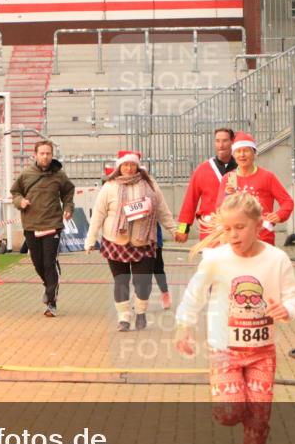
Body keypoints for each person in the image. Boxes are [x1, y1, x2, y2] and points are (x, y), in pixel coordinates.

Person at [174, 192, 295, 444]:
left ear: (258, 225)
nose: (233, 235)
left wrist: (287, 310)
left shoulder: (277, 259)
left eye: (240, 228)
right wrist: (184, 326)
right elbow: (195, 294)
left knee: (259, 422)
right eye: (228, 228)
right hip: (225, 350)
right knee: (231, 413)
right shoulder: (216, 259)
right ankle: (234, 404)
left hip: (262, 351)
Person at [84, 150, 178, 331]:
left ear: (137, 166)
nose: (128, 168)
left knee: (143, 282)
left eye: (132, 165)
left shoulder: (150, 185)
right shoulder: (109, 186)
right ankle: (124, 318)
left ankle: (141, 313)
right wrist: (90, 239)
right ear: (119, 167)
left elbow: (162, 211)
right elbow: (98, 214)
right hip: (115, 241)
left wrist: (173, 230)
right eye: (125, 165)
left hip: (143, 241)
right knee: (121, 281)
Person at [10, 139, 75, 317]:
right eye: (42, 153)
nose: (45, 156)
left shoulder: (59, 175)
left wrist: (68, 208)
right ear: (35, 155)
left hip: (52, 224)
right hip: (31, 224)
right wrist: (20, 202)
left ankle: (51, 302)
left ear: (52, 155)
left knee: (49, 261)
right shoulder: (26, 174)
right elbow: (15, 192)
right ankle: (49, 286)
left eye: (48, 153)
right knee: (38, 262)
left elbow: (68, 192)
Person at [218, 132, 293, 246]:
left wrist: (279, 215)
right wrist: (227, 196)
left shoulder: (267, 177)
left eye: (246, 151)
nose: (242, 155)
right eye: (238, 151)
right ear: (234, 155)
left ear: (254, 154)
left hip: (263, 238)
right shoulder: (229, 178)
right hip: (237, 240)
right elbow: (219, 208)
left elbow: (287, 201)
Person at [176, 127, 237, 242]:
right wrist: (183, 229)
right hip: (210, 229)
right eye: (217, 141)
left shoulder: (240, 169)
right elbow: (190, 201)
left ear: (232, 142)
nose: (221, 145)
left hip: (234, 229)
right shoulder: (203, 169)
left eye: (224, 140)